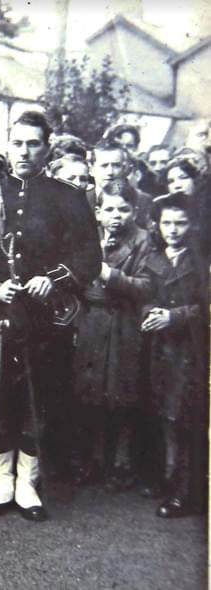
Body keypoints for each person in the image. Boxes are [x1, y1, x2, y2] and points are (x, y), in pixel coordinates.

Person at [0, 110, 101, 521]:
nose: (25, 151)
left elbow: (89, 256)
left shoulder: (67, 196)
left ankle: (28, 482)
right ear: (7, 146)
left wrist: (56, 279)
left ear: (46, 148)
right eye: (18, 142)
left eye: (33, 143)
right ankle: (1, 480)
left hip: (47, 315)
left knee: (39, 394)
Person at [70, 186, 156, 489]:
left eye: (123, 210)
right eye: (109, 209)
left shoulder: (144, 240)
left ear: (134, 211)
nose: (116, 216)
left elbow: (147, 286)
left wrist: (110, 275)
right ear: (98, 212)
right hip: (91, 321)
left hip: (124, 323)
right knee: (90, 394)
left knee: (121, 395)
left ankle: (121, 463)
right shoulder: (89, 237)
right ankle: (92, 460)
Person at [141, 194, 208, 517]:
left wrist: (175, 316)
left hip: (189, 350)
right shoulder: (153, 257)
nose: (173, 230)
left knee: (182, 417)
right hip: (157, 347)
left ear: (192, 224)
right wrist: (149, 311)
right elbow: (143, 293)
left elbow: (204, 308)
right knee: (158, 412)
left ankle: (184, 492)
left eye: (181, 223)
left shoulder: (200, 263)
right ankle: (161, 478)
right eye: (167, 223)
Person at [91, 142, 153, 227]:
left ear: (124, 169)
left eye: (116, 166)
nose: (110, 172)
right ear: (92, 169)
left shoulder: (142, 200)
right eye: (104, 166)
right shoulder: (80, 198)